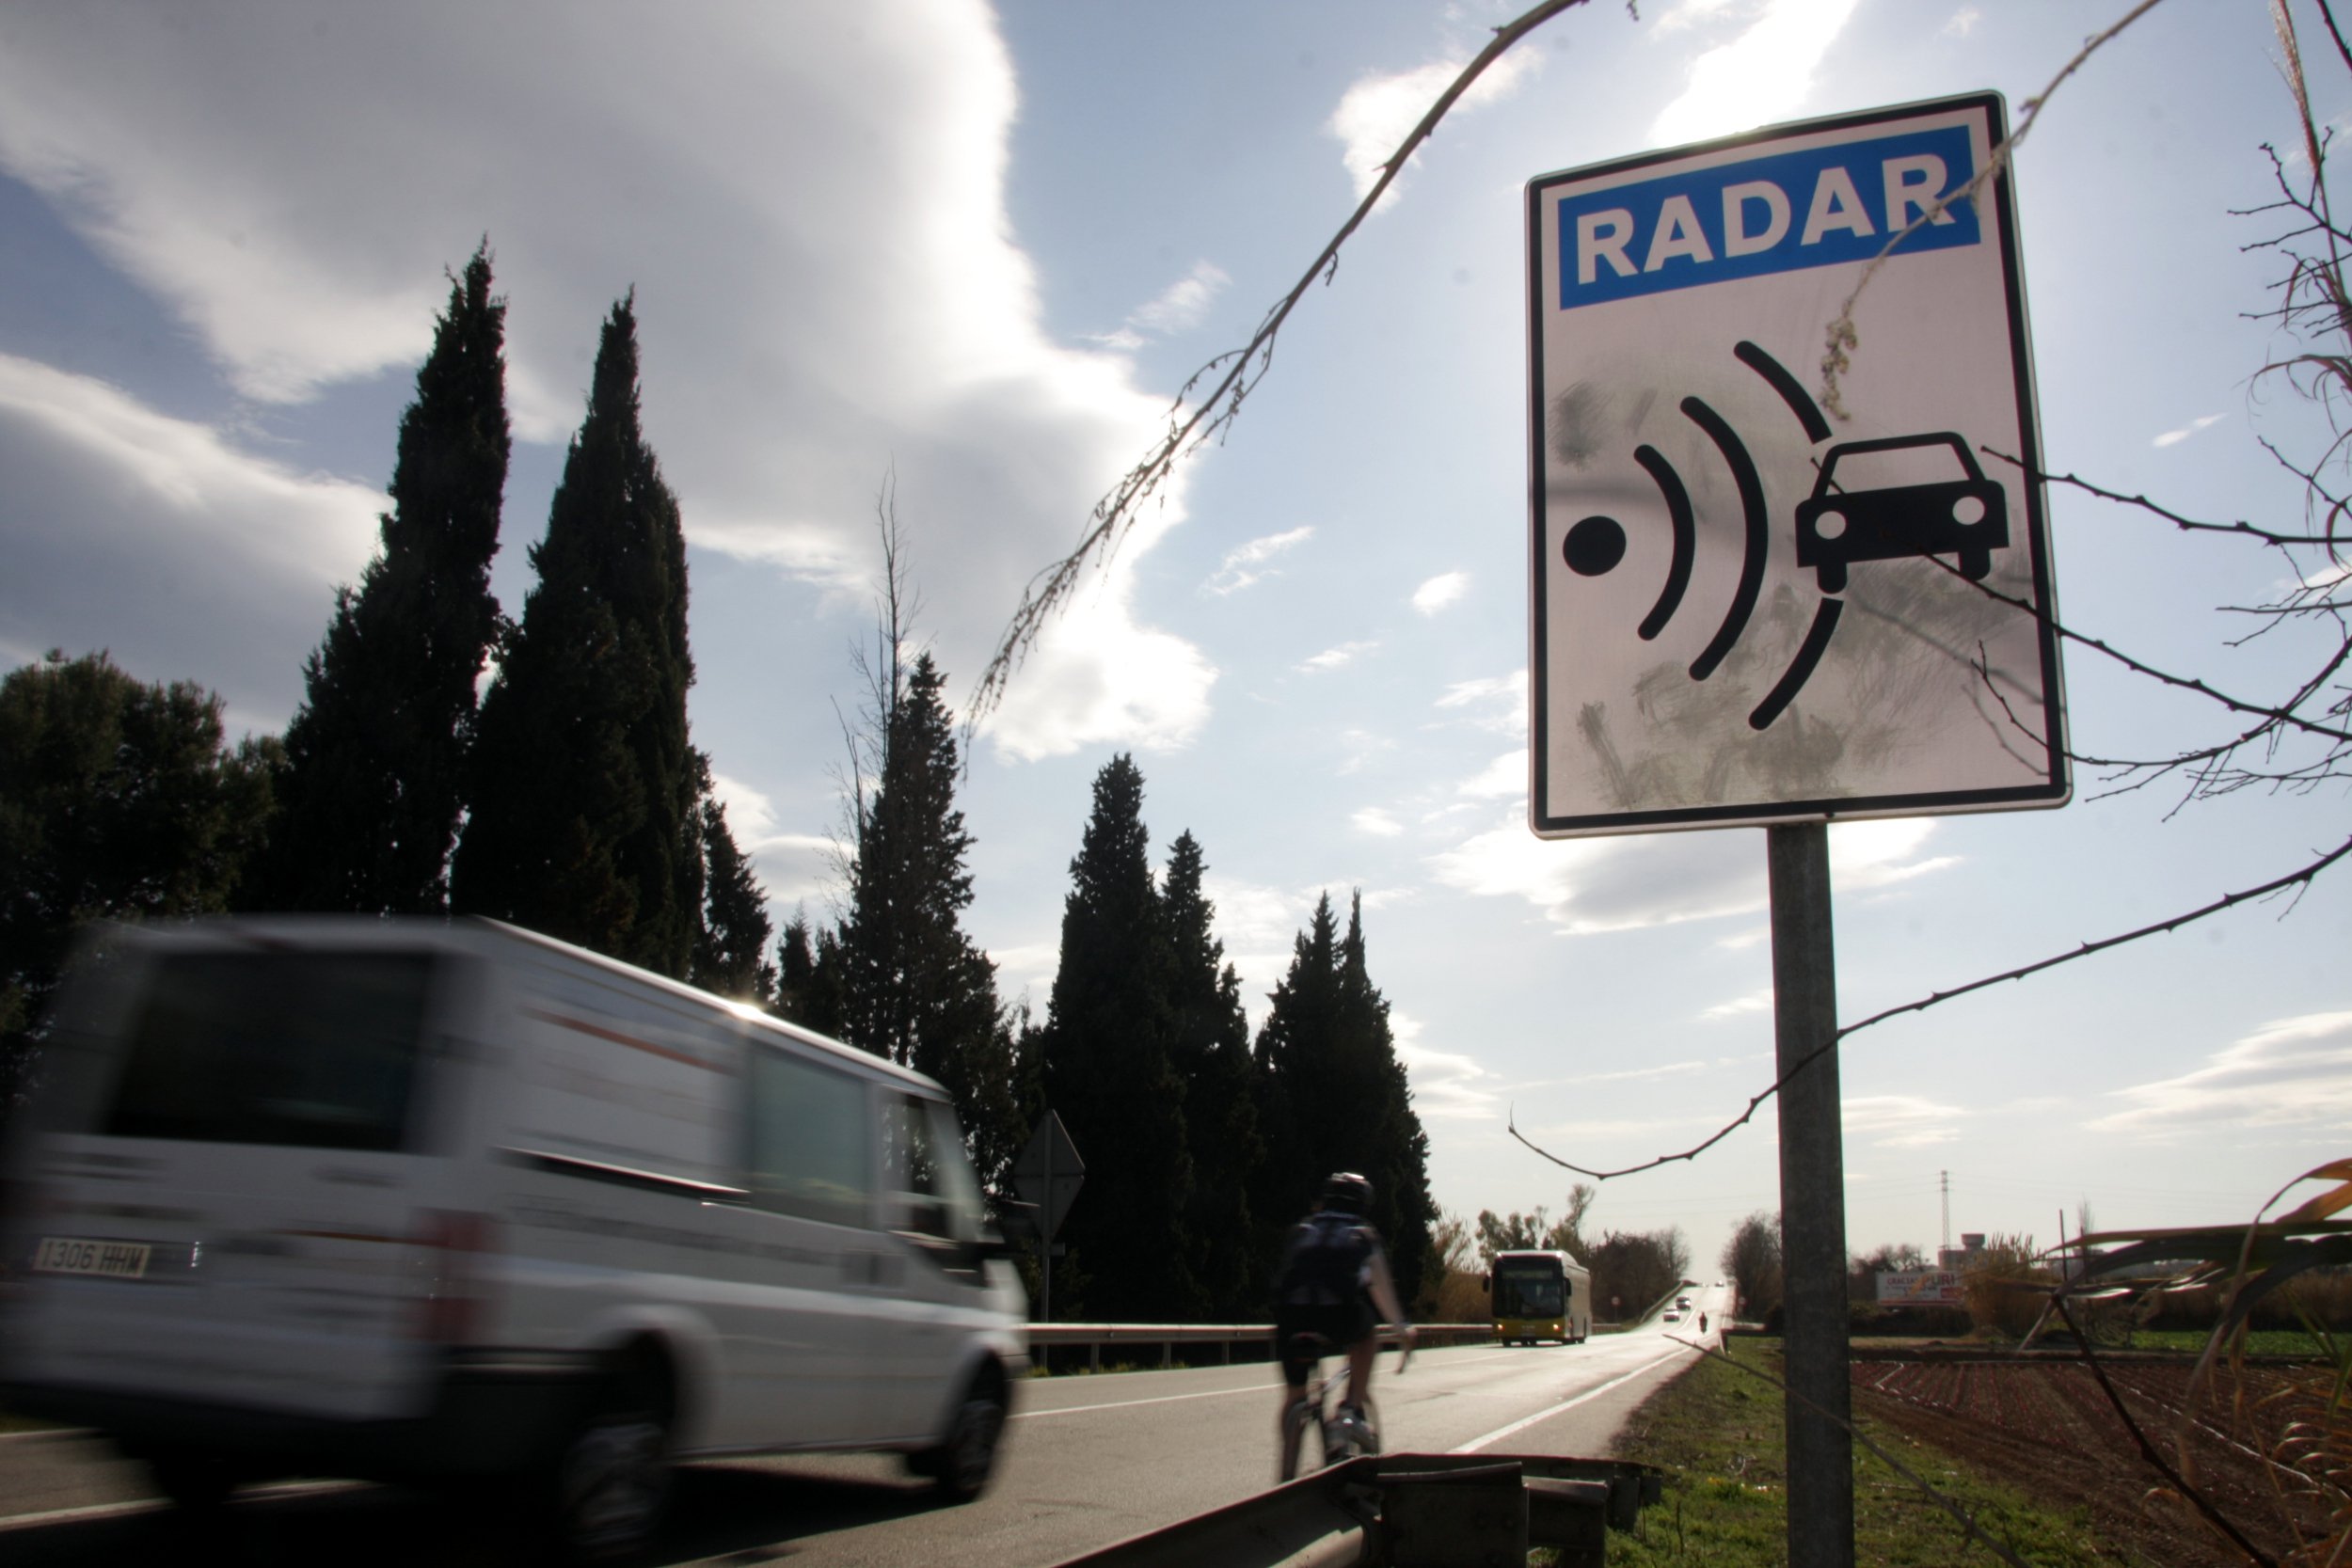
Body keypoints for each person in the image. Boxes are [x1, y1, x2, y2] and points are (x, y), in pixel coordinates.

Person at [1271, 1171, 1416, 1479]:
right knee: (1366, 1336)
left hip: (1290, 1318)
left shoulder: (1303, 1229)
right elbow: (1381, 1292)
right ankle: (1350, 1409)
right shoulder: (1362, 1233)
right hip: (1338, 1315)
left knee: (1295, 1394)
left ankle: (1287, 1460)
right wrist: (1403, 1328)